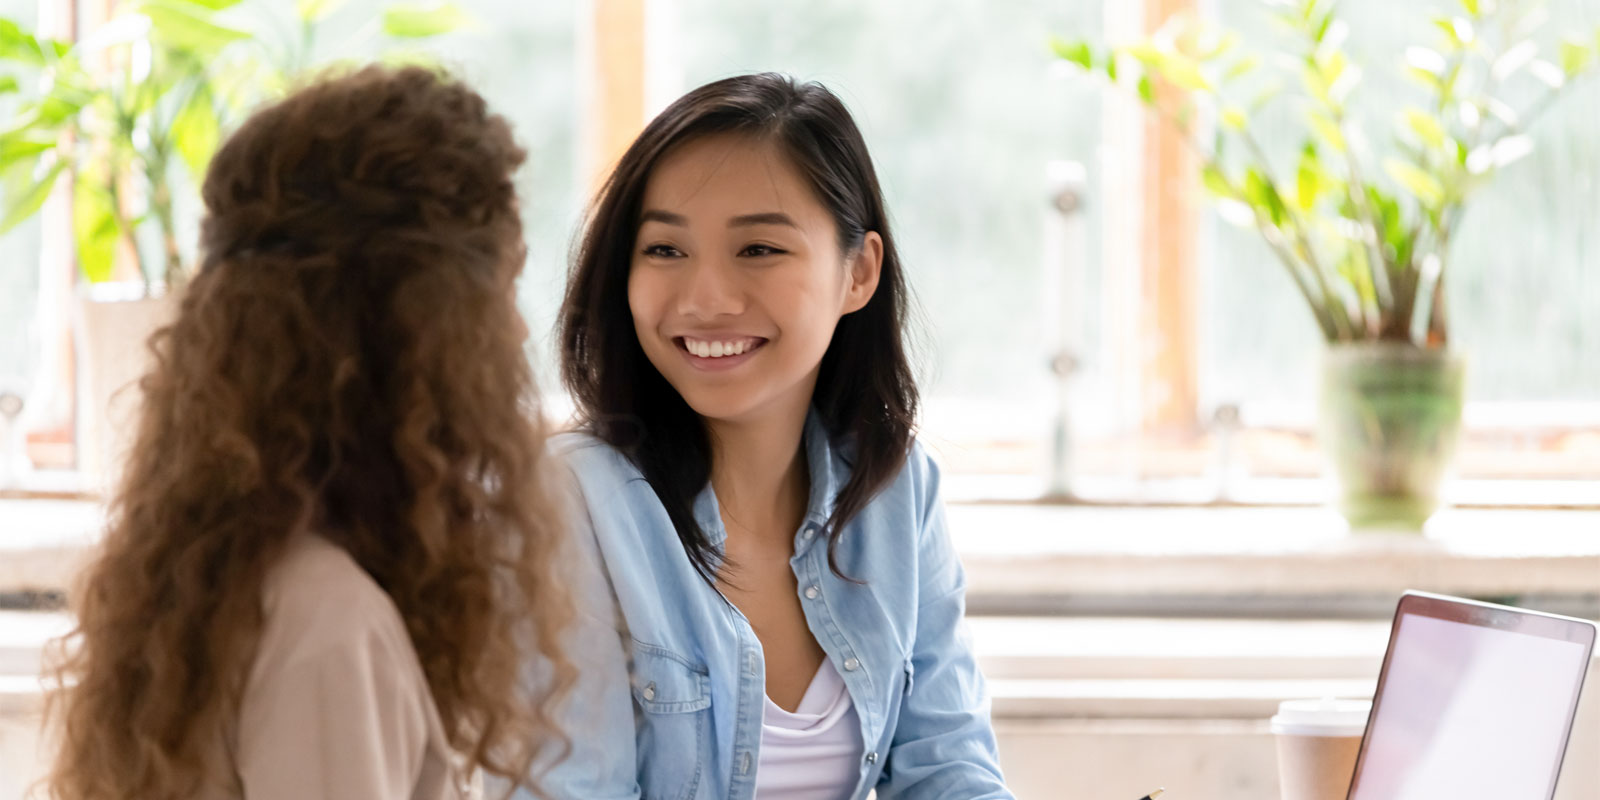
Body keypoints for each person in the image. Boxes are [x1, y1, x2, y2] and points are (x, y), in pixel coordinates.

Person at [44, 65, 573, 800]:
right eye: (502, 289)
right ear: (415, 327)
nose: (515, 329)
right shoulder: (331, 627)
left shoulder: (234, 588)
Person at [545, 72, 1013, 799]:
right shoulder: (571, 500)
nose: (705, 299)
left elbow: (949, 768)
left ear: (858, 273)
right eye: (665, 250)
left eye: (758, 249)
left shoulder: (897, 489)